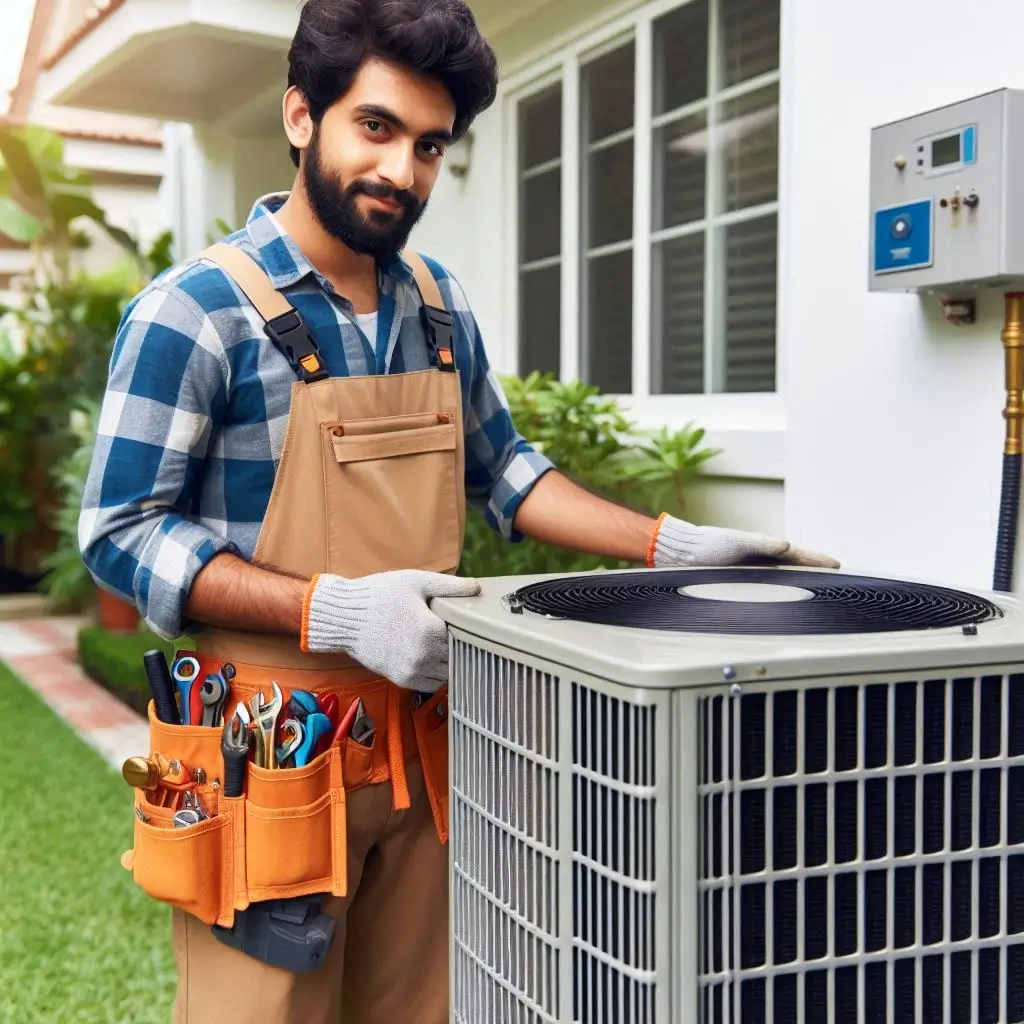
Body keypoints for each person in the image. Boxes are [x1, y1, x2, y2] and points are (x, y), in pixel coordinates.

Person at [79, 1, 838, 1020]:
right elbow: (120, 533)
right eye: (377, 128)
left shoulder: (436, 303)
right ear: (303, 116)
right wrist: (337, 615)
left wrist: (677, 547)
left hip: (427, 753)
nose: (403, 171)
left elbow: (510, 473)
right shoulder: (195, 311)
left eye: (430, 145)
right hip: (268, 765)